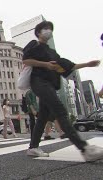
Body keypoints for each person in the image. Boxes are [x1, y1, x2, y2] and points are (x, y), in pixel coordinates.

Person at [23, 21, 103, 161]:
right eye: (45, 29)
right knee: (60, 110)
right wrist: (45, 65)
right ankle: (84, 148)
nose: (48, 31)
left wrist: (87, 65)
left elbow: (67, 66)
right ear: (39, 32)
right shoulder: (33, 45)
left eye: (50, 29)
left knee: (43, 116)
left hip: (51, 85)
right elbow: (26, 60)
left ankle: (33, 147)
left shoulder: (52, 52)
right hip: (39, 82)